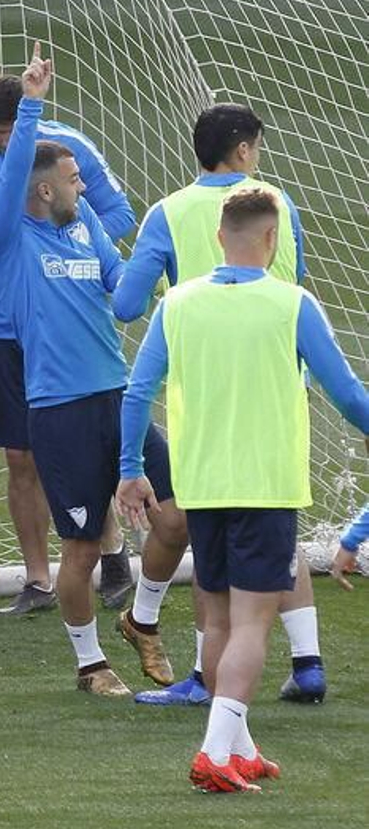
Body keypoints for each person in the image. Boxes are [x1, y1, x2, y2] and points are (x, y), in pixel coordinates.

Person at [116, 187, 369, 792]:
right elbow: (347, 394)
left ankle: (241, 746)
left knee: (222, 621)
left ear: (217, 238)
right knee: (253, 625)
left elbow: (137, 391)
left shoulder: (176, 304)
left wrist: (131, 468)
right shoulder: (292, 303)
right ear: (272, 239)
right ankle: (212, 755)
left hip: (200, 487)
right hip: (265, 485)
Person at [0, 44, 180, 697]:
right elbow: (10, 185)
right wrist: (31, 103)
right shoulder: (10, 238)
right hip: (60, 410)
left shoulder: (84, 224)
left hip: (119, 398)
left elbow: (122, 291)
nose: (84, 185)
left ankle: (141, 617)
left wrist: (162, 274)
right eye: (73, 177)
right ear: (43, 189)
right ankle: (90, 664)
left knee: (179, 518)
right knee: (85, 548)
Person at [116, 103, 327, 707]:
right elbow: (299, 285)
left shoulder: (169, 213)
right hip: (282, 389)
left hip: (205, 401)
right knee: (277, 520)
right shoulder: (278, 207)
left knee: (214, 551)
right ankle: (308, 663)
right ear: (242, 151)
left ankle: (209, 688)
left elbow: (127, 305)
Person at [0, 72, 138, 613]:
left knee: (89, 450)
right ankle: (40, 579)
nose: (1, 144)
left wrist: (65, 254)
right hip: (3, 327)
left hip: (67, 325)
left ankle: (112, 551)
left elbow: (117, 214)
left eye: (9, 133)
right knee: (20, 455)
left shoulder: (68, 150)